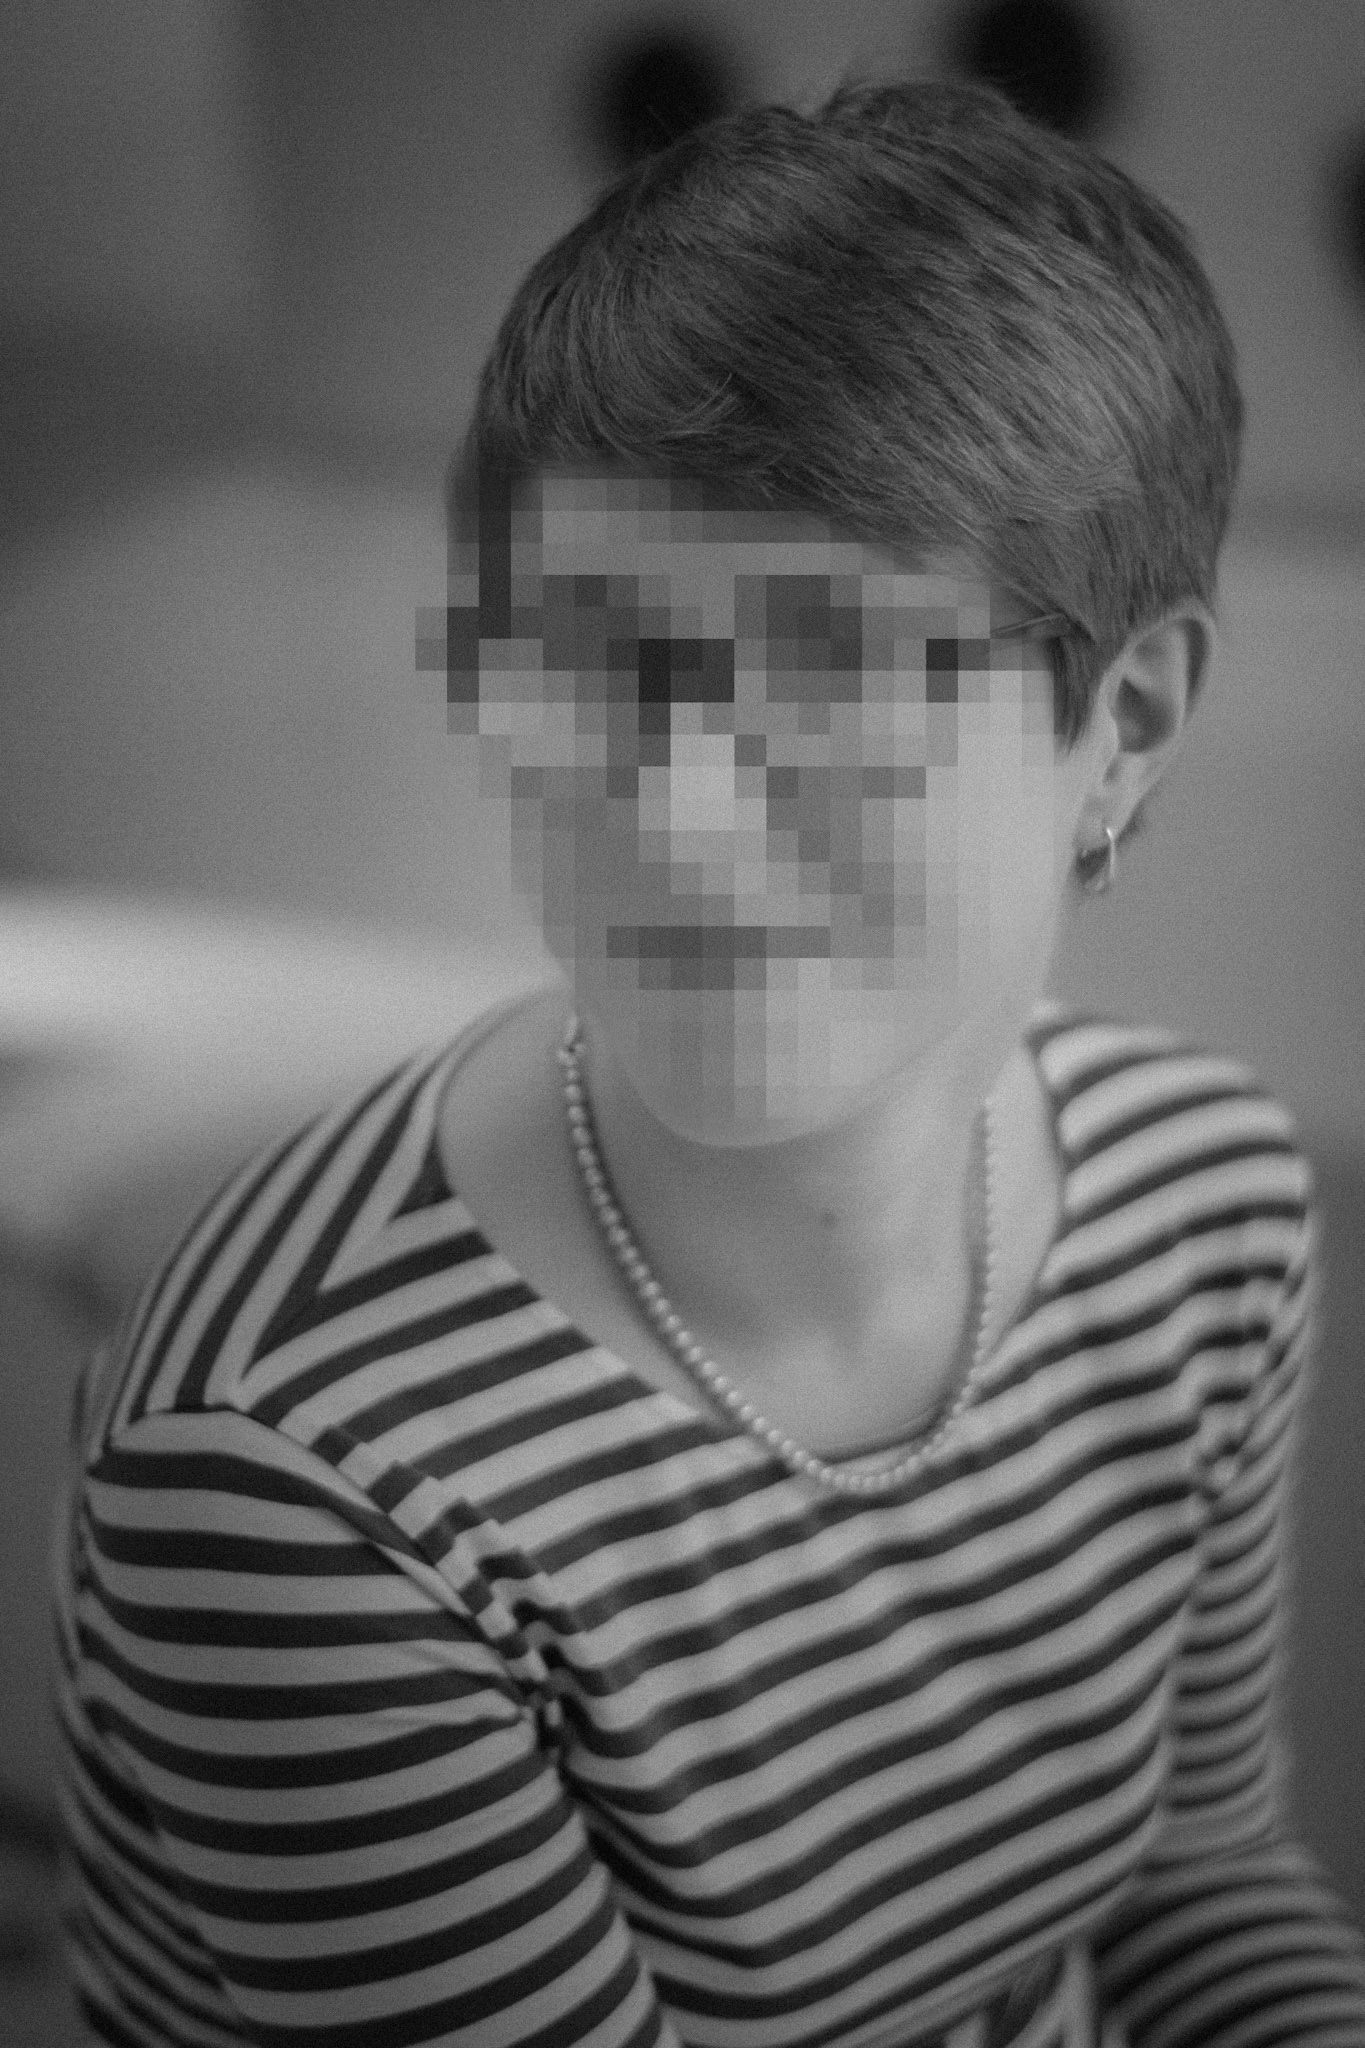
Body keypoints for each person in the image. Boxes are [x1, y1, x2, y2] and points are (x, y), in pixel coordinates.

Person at [49, 72, 1365, 2048]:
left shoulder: (1208, 1205)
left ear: (1124, 725)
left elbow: (1188, 1878)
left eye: (832, 676)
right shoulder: (295, 1466)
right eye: (594, 661)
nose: (671, 815)